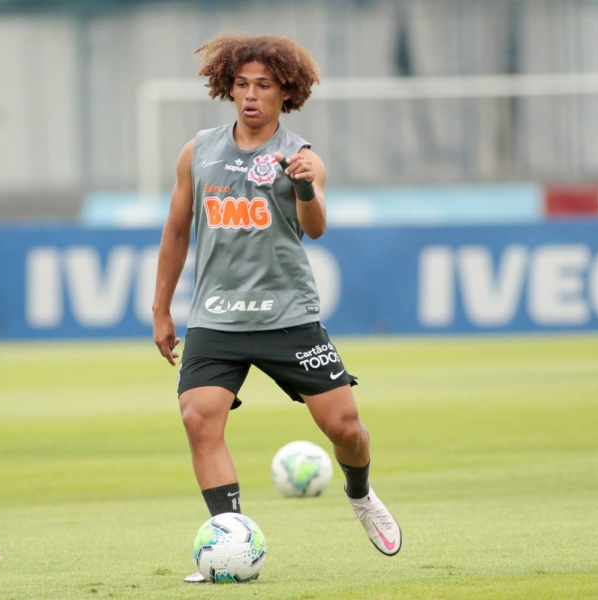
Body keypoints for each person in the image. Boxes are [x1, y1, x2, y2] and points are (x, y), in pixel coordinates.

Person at [152, 33, 402, 583]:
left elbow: (314, 229)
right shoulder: (198, 152)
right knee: (198, 418)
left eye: (263, 85)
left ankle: (360, 493)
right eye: (241, 84)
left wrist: (308, 190)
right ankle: (231, 541)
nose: (250, 95)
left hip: (287, 317)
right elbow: (175, 231)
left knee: (346, 429)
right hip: (216, 317)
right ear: (227, 87)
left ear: (286, 93)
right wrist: (161, 310)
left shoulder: (300, 156)